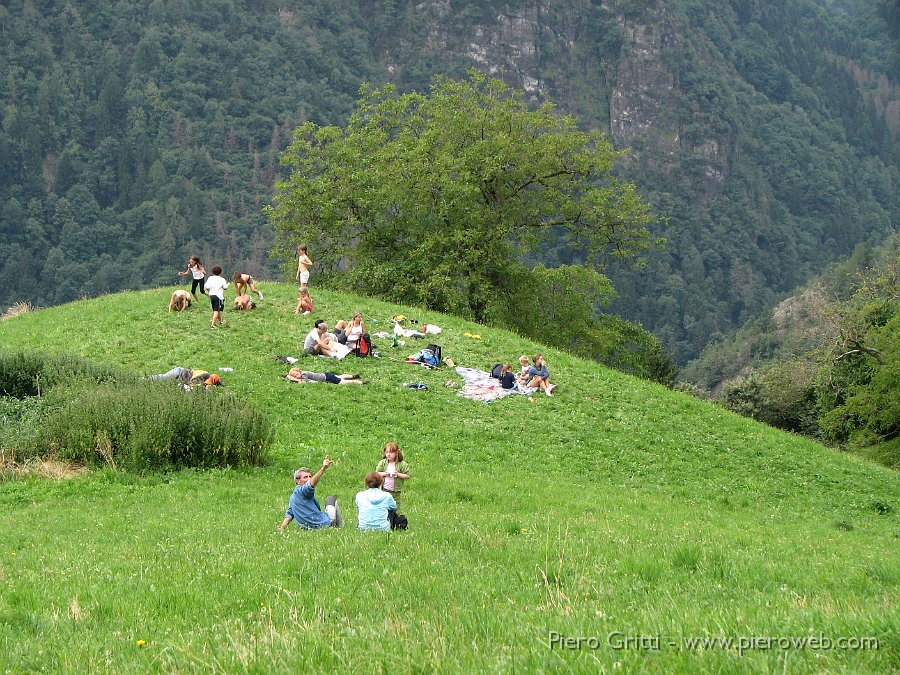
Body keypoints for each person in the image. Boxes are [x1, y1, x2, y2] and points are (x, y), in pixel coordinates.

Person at [279, 457, 343, 530]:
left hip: (308, 527)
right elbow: (310, 485)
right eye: (305, 477)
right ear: (298, 481)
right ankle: (339, 526)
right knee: (331, 499)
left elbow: (289, 514)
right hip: (323, 524)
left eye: (310, 476)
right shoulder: (301, 491)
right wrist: (323, 468)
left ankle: (335, 526)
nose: (308, 479)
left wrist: (281, 529)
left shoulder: (293, 497)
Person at [150, 367, 221, 389]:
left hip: (180, 377)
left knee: (162, 383)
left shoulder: (205, 379)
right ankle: (143, 379)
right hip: (179, 373)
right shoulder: (205, 375)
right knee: (162, 378)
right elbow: (191, 381)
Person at [285, 369, 368, 385]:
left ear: (299, 371)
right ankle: (353, 376)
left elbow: (302, 383)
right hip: (325, 375)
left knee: (343, 382)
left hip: (327, 378)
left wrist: (293, 379)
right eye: (295, 376)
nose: (297, 376)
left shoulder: (304, 375)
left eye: (296, 374)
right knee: (340, 376)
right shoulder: (303, 373)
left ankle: (360, 382)